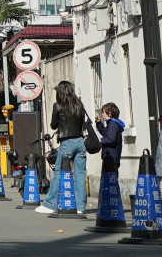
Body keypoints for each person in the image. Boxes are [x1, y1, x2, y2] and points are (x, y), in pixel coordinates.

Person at [36, 80, 87, 214]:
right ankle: (80, 206)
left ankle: (50, 204)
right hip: (80, 142)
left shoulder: (58, 106)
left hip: (67, 142)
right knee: (80, 174)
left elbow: (53, 125)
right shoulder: (79, 105)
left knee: (59, 172)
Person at [96, 102, 125, 174]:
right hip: (111, 157)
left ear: (109, 114)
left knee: (110, 179)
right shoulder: (111, 124)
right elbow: (105, 133)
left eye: (103, 112)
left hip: (111, 157)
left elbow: (111, 139)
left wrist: (100, 141)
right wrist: (99, 122)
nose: (102, 114)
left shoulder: (113, 124)